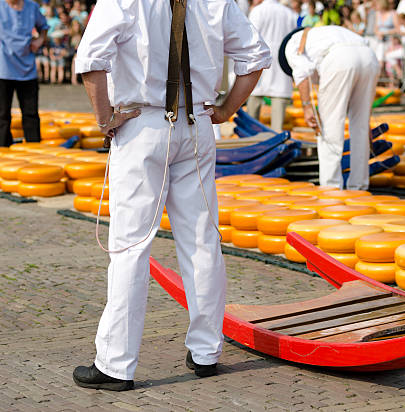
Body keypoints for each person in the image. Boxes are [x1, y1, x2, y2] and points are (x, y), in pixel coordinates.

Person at [72, 0, 270, 391]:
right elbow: (256, 57)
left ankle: (116, 363)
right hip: (196, 123)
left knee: (130, 246)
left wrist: (103, 119)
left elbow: (90, 58)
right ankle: (205, 351)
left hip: (142, 123)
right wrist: (228, 109)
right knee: (201, 240)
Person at [279, 26, 379, 189]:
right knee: (360, 127)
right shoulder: (324, 33)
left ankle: (331, 188)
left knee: (329, 128)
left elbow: (301, 73)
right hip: (369, 57)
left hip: (340, 59)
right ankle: (359, 187)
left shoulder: (292, 44)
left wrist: (307, 106)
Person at [0, 0, 48, 147]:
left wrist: (39, 41)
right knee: (2, 115)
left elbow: (44, 27)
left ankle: (35, 151)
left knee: (31, 114)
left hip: (27, 69)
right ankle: (2, 150)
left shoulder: (32, 7)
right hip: (3, 68)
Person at [247, 0, 297, 132]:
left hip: (260, 60)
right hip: (281, 60)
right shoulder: (290, 13)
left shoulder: (258, 11)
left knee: (253, 106)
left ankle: (250, 139)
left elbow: (250, 37)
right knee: (278, 115)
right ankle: (277, 144)